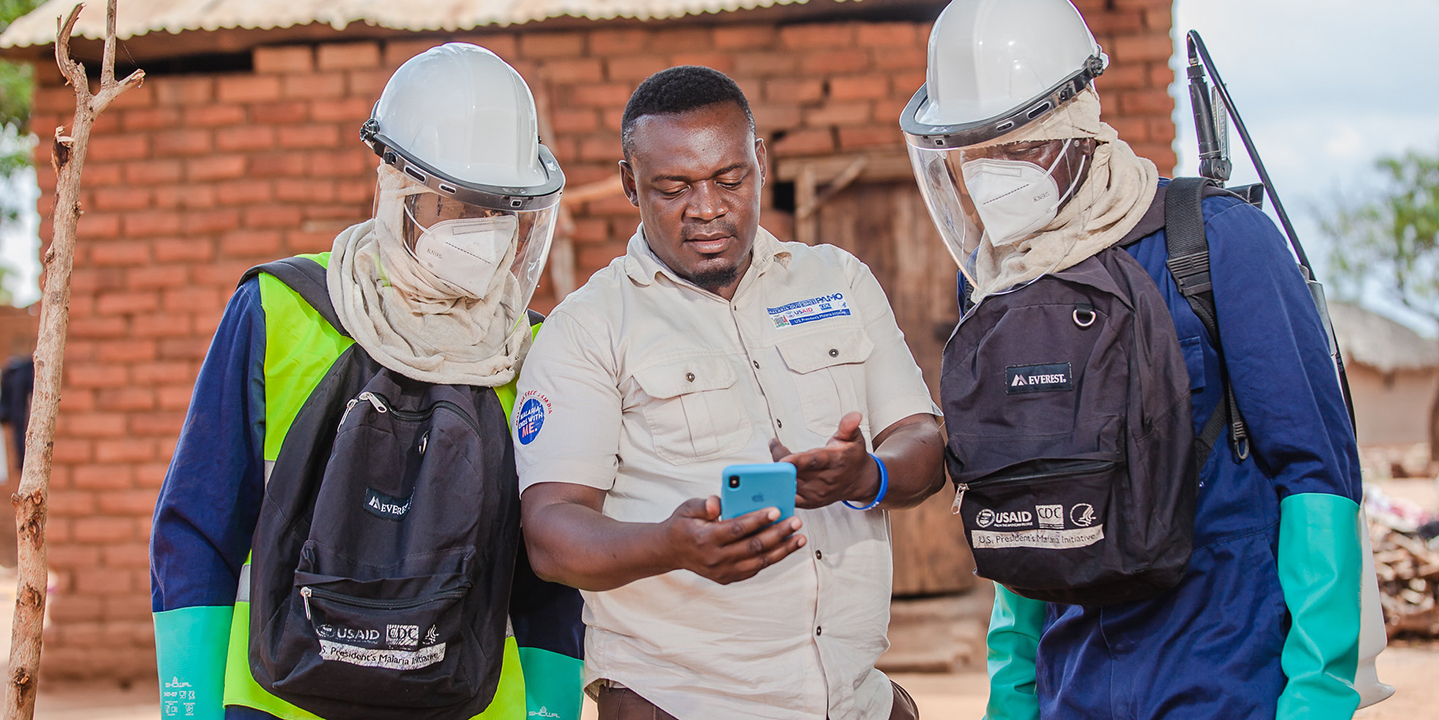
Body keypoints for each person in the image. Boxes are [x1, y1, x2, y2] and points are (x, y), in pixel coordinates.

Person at [900, 0, 1365, 718]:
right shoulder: (995, 285)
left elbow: (1318, 474)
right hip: (1074, 684)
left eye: (1019, 145)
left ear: (1076, 126)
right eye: (975, 152)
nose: (995, 174)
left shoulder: (1215, 245)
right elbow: (1026, 500)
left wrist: (1318, 694)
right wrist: (1014, 692)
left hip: (1226, 674)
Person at [149, 43, 585, 720]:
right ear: (393, 182)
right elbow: (199, 523)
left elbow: (548, 574)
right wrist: (188, 706)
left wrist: (551, 710)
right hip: (278, 701)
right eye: (459, 203)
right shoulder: (278, 309)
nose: (486, 234)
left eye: (502, 211)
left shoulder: (528, 350)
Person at [514, 65, 945, 720]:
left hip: (855, 697)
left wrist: (869, 474)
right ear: (631, 183)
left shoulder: (838, 282)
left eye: (729, 178)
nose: (707, 206)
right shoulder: (589, 327)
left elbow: (923, 441)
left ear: (760, 163)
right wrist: (671, 544)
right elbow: (550, 533)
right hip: (680, 702)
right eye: (673, 186)